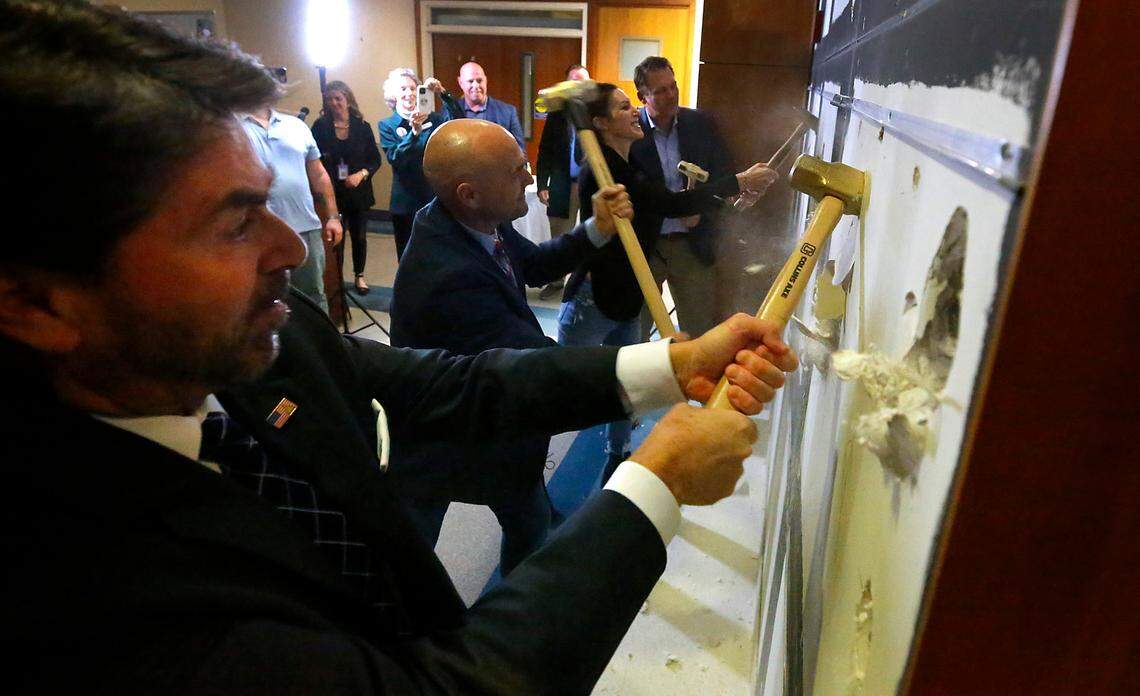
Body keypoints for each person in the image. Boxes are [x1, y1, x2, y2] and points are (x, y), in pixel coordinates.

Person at [2, 2, 797, 692]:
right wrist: (654, 484)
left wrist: (676, 364)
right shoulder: (89, 606)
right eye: (234, 221)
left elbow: (458, 383)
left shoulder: (250, 340)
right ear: (39, 301)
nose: (291, 247)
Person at [390, 118, 631, 574]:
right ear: (470, 193)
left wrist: (595, 229)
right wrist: (644, 371)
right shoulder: (447, 277)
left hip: (493, 426)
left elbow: (535, 266)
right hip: (448, 437)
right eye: (515, 170)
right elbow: (536, 362)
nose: (528, 178)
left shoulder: (468, 220)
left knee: (527, 514)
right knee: (412, 556)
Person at [561, 82, 779, 482]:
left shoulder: (631, 161)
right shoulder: (606, 171)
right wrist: (738, 181)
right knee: (558, 383)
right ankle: (531, 461)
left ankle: (617, 453)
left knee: (624, 385)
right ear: (601, 123)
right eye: (624, 107)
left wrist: (707, 199)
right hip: (594, 298)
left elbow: (664, 203)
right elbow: (664, 203)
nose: (635, 111)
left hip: (628, 295)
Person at [630, 56, 737, 338]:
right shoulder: (629, 132)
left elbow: (723, 177)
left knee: (700, 331)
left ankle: (693, 383)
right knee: (635, 333)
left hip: (691, 246)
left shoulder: (699, 123)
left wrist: (701, 210)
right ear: (643, 97)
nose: (671, 94)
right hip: (646, 247)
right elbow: (633, 193)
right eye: (661, 91)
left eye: (673, 86)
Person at [241, 100, 343, 311]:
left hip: (306, 228)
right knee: (265, 300)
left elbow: (319, 174)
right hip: (259, 232)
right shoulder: (231, 127)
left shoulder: (296, 126)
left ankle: (319, 343)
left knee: (314, 296)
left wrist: (333, 217)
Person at [378, 67, 464, 260]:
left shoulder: (433, 119)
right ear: (393, 95)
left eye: (412, 88)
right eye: (402, 89)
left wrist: (443, 93)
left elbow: (458, 122)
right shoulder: (387, 125)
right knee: (408, 256)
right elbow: (395, 159)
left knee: (437, 252)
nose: (408, 94)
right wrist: (413, 134)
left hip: (433, 198)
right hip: (405, 203)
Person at [311, 80, 382, 294]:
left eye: (338, 99)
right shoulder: (320, 127)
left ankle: (359, 276)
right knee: (336, 240)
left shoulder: (362, 127)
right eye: (330, 100)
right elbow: (313, 159)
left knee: (359, 236)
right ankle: (337, 278)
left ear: (347, 99)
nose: (334, 103)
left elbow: (375, 160)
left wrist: (361, 174)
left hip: (358, 192)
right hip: (333, 193)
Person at [535, 63, 591, 300]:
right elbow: (545, 150)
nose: (577, 86)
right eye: (573, 81)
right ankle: (557, 281)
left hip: (590, 184)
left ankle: (586, 282)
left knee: (593, 233)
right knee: (559, 236)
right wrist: (542, 184)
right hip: (562, 184)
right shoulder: (556, 115)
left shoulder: (597, 113)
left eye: (582, 81)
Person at [457, 61, 526, 151]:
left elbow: (519, 152)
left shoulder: (508, 113)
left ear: (486, 80)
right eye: (470, 81)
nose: (476, 85)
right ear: (460, 82)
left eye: (479, 80)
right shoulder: (450, 112)